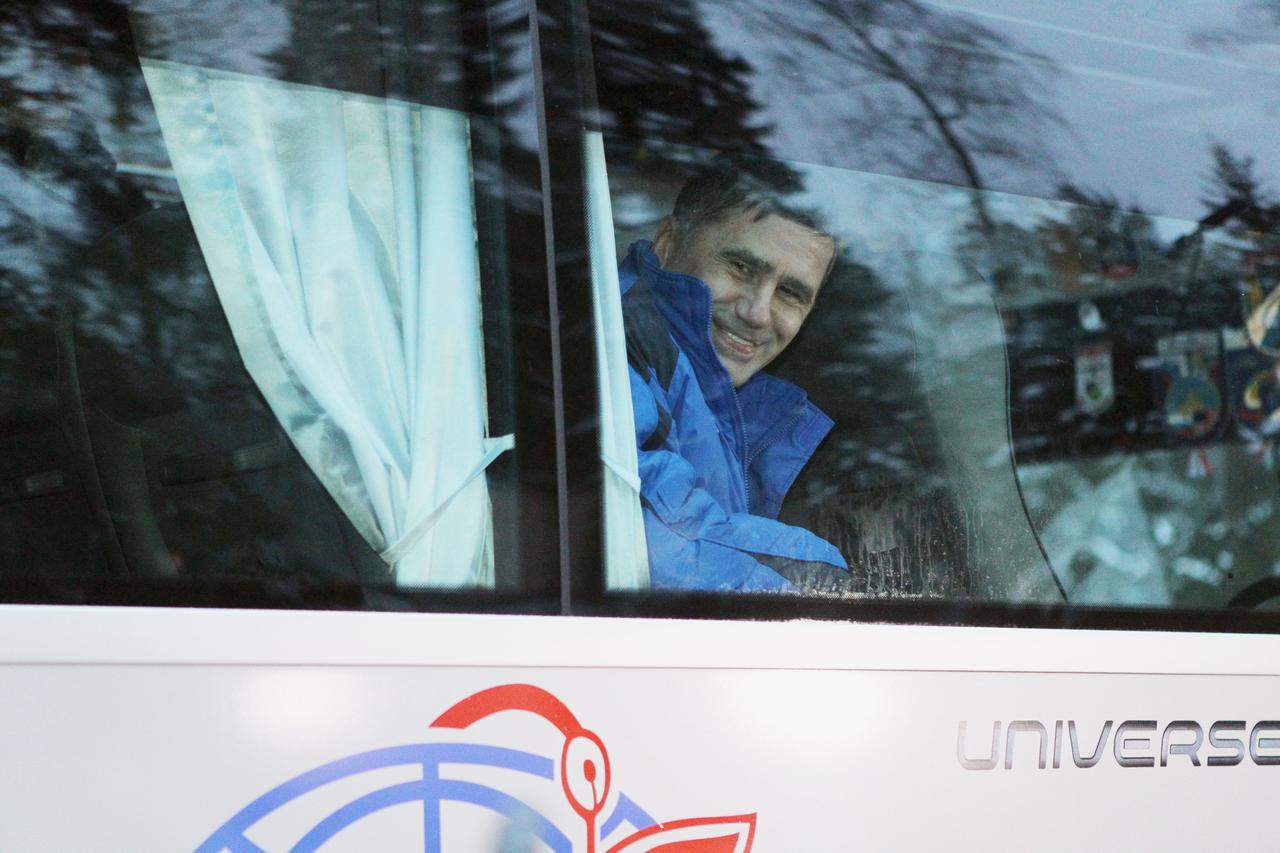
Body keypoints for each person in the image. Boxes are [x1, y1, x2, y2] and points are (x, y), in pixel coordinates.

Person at [621, 153, 848, 591]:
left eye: (790, 293)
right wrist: (829, 592)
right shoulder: (615, 345)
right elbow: (651, 534)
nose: (759, 313)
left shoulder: (741, 404)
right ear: (667, 241)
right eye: (741, 267)